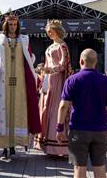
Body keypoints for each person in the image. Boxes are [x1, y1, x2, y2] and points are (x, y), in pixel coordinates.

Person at [56, 48, 107, 178]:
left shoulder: (72, 80)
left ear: (81, 61)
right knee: (100, 167)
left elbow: (63, 106)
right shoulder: (106, 81)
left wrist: (60, 128)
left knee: (79, 168)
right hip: (100, 131)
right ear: (95, 62)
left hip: (78, 130)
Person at [0, 14, 41, 159]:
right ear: (6, 25)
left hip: (20, 84)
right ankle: (4, 148)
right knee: (4, 113)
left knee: (17, 114)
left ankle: (13, 145)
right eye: (10, 24)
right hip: (3, 82)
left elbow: (30, 60)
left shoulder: (24, 40)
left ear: (18, 26)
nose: (12, 27)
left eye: (15, 24)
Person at [34, 19, 71, 156]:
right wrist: (43, 71)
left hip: (57, 81)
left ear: (57, 30)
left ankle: (59, 147)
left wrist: (50, 69)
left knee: (55, 110)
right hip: (48, 80)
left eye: (51, 31)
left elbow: (63, 65)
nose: (49, 33)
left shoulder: (62, 46)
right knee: (46, 109)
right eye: (48, 31)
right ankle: (47, 144)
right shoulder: (50, 47)